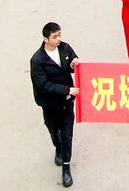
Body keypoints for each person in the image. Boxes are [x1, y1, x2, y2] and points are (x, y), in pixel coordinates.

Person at [29, 22, 80, 187]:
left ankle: (66, 167)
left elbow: (72, 60)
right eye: (55, 36)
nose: (59, 39)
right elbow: (43, 85)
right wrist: (68, 90)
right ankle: (57, 147)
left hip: (66, 103)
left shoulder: (65, 48)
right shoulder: (37, 60)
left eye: (59, 34)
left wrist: (74, 63)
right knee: (53, 131)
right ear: (46, 38)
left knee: (67, 136)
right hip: (50, 105)